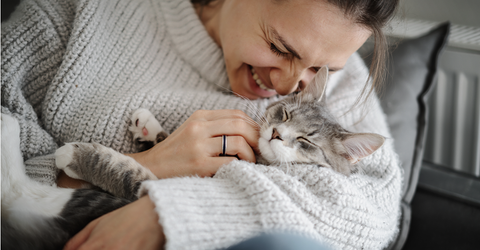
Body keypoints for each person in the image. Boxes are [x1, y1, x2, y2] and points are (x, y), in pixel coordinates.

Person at [1, 0, 401, 249]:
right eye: (279, 47)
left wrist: (174, 213)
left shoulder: (343, 82)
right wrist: (153, 164)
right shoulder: (82, 12)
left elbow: (370, 211)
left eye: (320, 69)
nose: (285, 88)